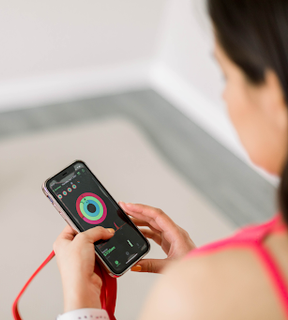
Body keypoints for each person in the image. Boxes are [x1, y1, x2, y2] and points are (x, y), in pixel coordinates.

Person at [53, 0, 288, 319]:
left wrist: (81, 304)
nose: (224, 96)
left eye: (225, 76)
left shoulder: (193, 295)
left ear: (273, 94)